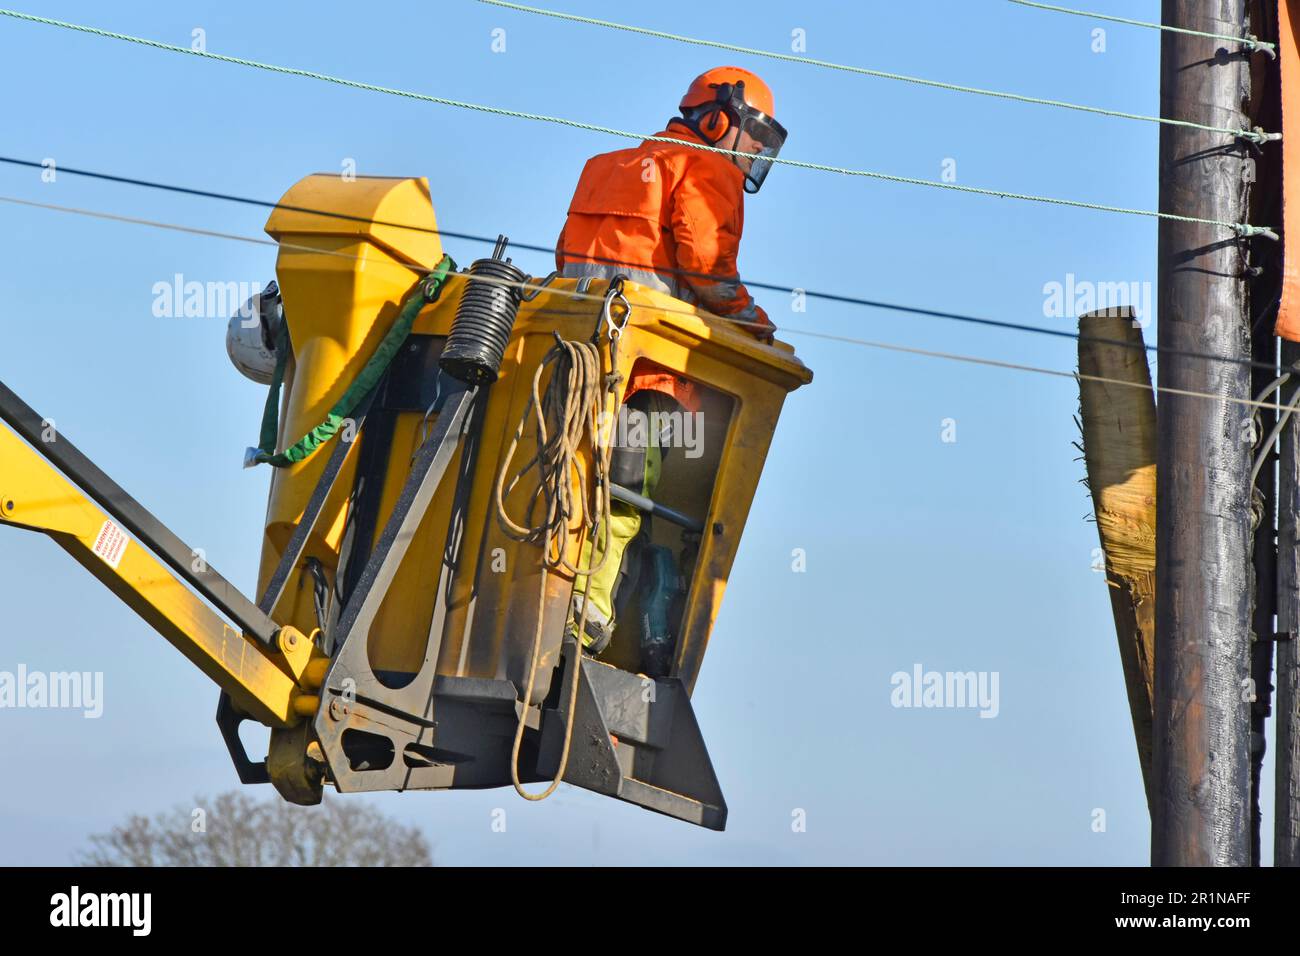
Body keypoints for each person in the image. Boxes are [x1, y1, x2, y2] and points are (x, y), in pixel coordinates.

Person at [554, 66, 788, 658]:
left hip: (571, 366)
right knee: (630, 488)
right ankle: (587, 614)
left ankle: (552, 592)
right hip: (649, 371)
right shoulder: (706, 169)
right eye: (756, 131)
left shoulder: (605, 168)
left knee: (571, 477)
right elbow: (708, 271)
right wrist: (757, 327)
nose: (759, 149)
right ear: (718, 118)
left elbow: (565, 259)